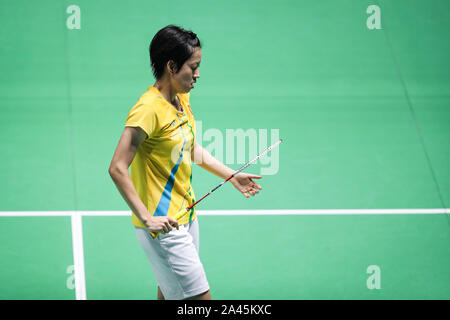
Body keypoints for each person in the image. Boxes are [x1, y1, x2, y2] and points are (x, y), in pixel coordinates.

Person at [108, 25, 263, 300]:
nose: (198, 74)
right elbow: (117, 167)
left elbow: (189, 148)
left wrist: (231, 175)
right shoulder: (147, 110)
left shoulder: (181, 99)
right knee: (199, 300)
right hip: (164, 225)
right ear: (171, 65)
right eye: (193, 67)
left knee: (171, 294)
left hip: (187, 215)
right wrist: (147, 217)